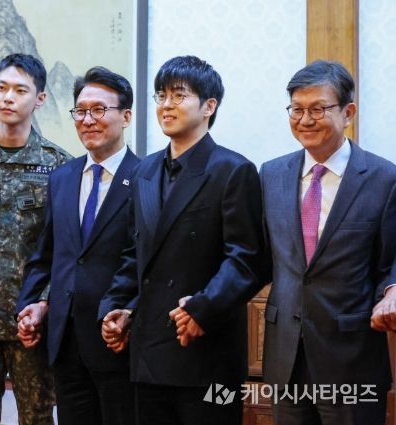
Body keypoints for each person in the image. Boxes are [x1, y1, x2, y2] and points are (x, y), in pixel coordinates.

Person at [98, 55, 265, 425]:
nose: (166, 105)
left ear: (209, 106)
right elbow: (135, 254)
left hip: (208, 350)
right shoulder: (144, 171)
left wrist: (202, 308)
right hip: (148, 353)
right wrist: (116, 307)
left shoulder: (233, 170)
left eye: (178, 95)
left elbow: (247, 259)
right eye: (161, 96)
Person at [260, 60, 396, 425]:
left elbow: (392, 259)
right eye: (297, 109)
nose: (305, 120)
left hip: (351, 357)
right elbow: (256, 257)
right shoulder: (271, 174)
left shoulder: (384, 178)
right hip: (285, 355)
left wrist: (393, 289)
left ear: (348, 112)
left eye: (318, 109)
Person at [16, 66, 140, 425]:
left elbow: (150, 263)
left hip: (118, 340)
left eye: (99, 110)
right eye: (81, 111)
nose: (87, 120)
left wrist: (130, 313)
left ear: (126, 116)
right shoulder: (62, 178)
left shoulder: (147, 177)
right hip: (66, 342)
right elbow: (47, 255)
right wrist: (32, 304)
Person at [0, 53, 71, 425]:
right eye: (2, 88)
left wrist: (45, 303)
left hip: (32, 324)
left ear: (40, 99)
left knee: (37, 417)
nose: (8, 97)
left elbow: (67, 249)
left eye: (20, 90)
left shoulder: (59, 167)